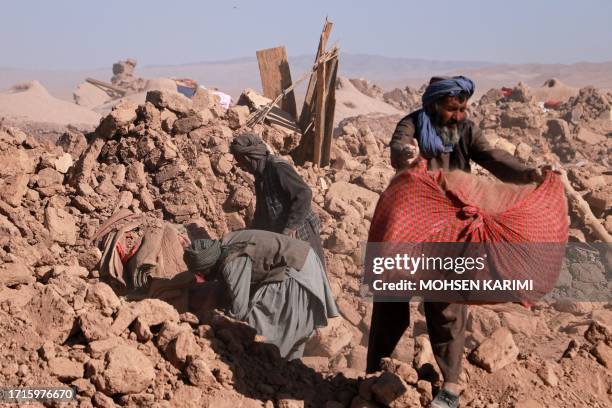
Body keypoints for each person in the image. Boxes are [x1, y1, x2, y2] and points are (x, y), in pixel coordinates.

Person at [370, 76, 550, 408]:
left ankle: (450, 387)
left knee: (448, 306)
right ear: (434, 105)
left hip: (452, 227)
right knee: (391, 296)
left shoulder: (466, 130)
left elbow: (492, 157)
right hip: (412, 224)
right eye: (452, 109)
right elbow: (399, 147)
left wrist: (527, 174)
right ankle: (371, 373)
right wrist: (406, 155)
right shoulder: (411, 124)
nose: (458, 115)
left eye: (463, 108)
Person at [183, 229, 339, 360]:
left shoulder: (232, 261)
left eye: (200, 273)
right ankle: (289, 376)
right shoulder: (224, 245)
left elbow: (239, 309)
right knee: (292, 331)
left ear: (207, 266)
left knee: (260, 330)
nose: (201, 277)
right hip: (305, 263)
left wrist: (219, 328)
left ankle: (264, 377)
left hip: (294, 274)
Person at [229, 133, 326, 265]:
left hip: (301, 230)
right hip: (283, 236)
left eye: (241, 161)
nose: (241, 166)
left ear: (250, 156)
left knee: (312, 271)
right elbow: (263, 213)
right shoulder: (260, 176)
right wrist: (252, 237)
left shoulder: (278, 167)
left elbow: (304, 194)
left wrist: (290, 228)